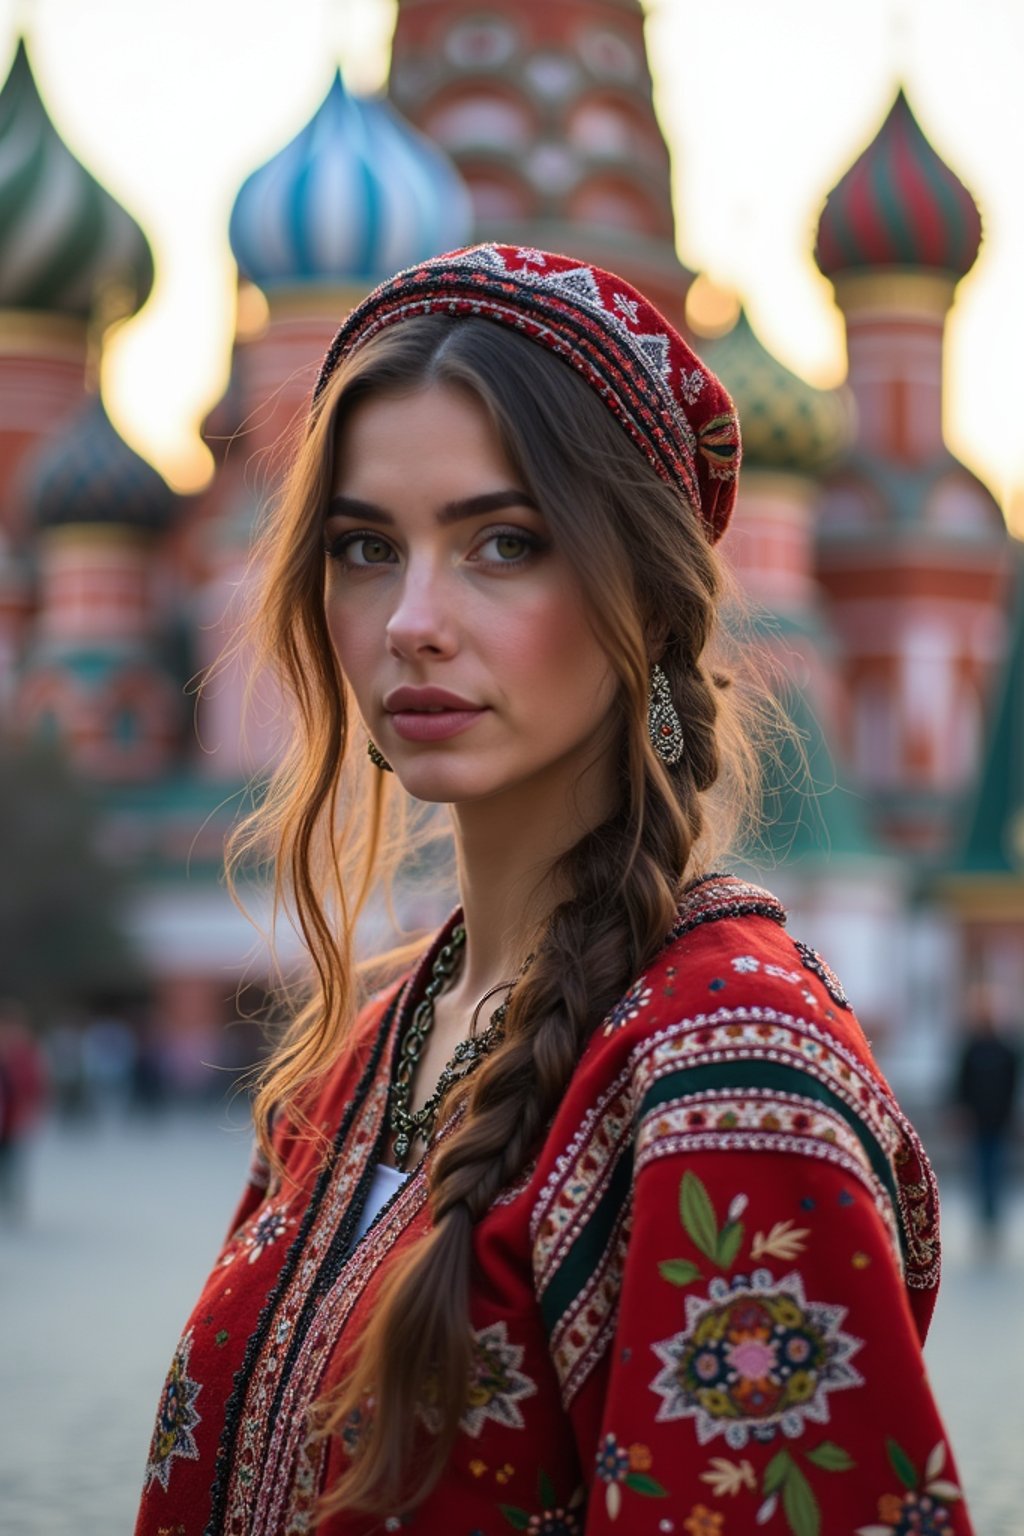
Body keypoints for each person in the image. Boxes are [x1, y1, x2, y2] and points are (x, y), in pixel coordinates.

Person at [135, 246, 975, 1536]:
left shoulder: (732, 1072)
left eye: (503, 542)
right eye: (366, 547)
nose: (411, 618)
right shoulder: (364, 1047)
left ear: (642, 598)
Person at [953, 983, 1019, 1242]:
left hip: (999, 1118)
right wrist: (960, 1110)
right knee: (979, 1166)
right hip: (977, 1117)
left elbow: (1013, 1084)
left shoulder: (1007, 1049)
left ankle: (993, 1214)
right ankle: (983, 1213)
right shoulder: (971, 1048)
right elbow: (960, 1081)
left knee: (997, 1166)